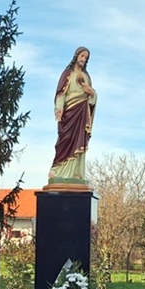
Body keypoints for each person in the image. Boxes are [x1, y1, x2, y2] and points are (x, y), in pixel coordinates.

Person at [48, 46, 97, 185]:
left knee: (79, 140)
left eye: (86, 58)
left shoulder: (87, 77)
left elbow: (92, 98)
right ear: (76, 56)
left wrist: (93, 93)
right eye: (82, 56)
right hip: (69, 112)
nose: (84, 59)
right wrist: (59, 109)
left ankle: (76, 173)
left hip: (82, 112)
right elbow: (61, 94)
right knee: (66, 138)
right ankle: (57, 170)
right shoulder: (67, 74)